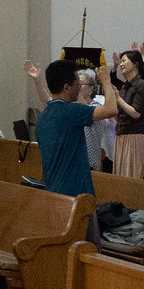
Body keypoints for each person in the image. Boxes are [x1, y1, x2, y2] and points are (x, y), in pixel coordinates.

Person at [25, 59, 120, 208]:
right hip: (76, 194)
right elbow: (112, 110)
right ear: (67, 88)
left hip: (53, 190)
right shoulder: (70, 111)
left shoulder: (44, 116)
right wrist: (106, 82)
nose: (79, 88)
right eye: (77, 85)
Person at [109, 48, 144, 177]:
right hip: (121, 135)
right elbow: (122, 113)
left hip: (135, 137)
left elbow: (136, 113)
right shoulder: (125, 86)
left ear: (135, 64)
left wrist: (118, 98)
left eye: (124, 61)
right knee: (121, 176)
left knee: (133, 176)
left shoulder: (142, 85)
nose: (121, 65)